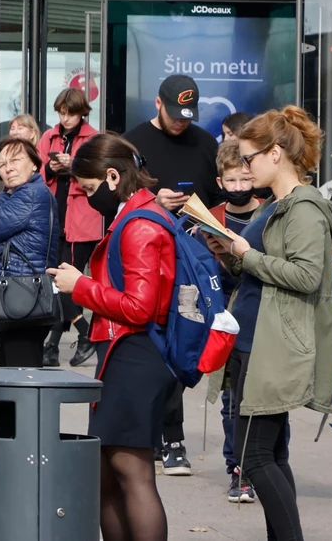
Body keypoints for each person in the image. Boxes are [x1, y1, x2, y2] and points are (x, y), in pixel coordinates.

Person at [205, 107, 332, 541]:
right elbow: (264, 272)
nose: (246, 167)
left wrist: (246, 253)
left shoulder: (303, 207)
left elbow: (304, 275)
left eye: (249, 159)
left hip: (273, 343)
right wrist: (228, 252)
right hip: (256, 337)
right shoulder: (281, 204)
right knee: (270, 454)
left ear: (275, 153)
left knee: (256, 456)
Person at [46, 132, 178, 541]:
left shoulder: (139, 225)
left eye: (88, 188)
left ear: (112, 177)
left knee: (131, 470)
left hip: (136, 353)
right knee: (106, 469)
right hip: (124, 352)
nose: (86, 197)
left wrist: (80, 286)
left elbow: (140, 307)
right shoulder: (134, 216)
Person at [123, 73, 220, 476]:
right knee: (151, 346)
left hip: (192, 260)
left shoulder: (205, 143)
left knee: (183, 342)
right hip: (148, 259)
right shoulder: (134, 143)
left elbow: (219, 199)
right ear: (158, 104)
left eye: (188, 115)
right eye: (175, 114)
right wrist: (154, 199)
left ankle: (171, 435)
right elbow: (118, 198)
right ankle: (162, 434)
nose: (182, 122)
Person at [206, 139, 262, 504]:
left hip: (260, 313)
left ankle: (262, 463)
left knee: (264, 399)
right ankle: (237, 467)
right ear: (220, 181)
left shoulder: (269, 213)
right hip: (227, 315)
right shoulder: (212, 216)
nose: (240, 187)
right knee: (230, 399)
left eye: (245, 179)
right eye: (232, 181)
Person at [37, 88, 103, 367]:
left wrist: (73, 164)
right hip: (55, 214)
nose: (65, 118)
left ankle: (82, 335)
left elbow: (98, 174)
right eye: (61, 113)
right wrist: (52, 167)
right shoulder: (49, 136)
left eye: (71, 113)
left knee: (64, 279)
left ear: (82, 112)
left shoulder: (94, 137)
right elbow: (38, 172)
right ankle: (55, 344)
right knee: (56, 278)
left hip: (83, 218)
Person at [0, 137, 58, 365]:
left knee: (20, 377)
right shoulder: (13, 196)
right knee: (11, 372)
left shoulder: (32, 194)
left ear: (34, 163)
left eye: (16, 160)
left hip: (23, 297)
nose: (8, 168)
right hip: (17, 295)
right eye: (2, 164)